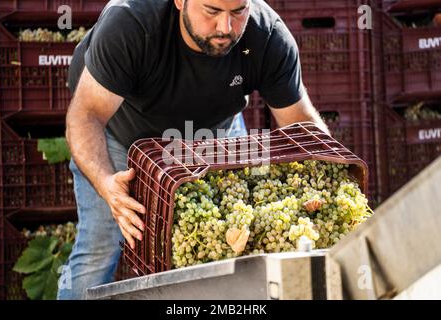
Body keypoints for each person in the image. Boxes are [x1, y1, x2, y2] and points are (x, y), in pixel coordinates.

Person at [58, 0, 329, 299]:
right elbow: (85, 116)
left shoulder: (268, 35)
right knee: (99, 250)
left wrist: (333, 188)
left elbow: (301, 128)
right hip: (122, 135)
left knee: (225, 241)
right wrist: (107, 184)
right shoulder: (132, 23)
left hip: (212, 133)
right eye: (212, 11)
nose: (226, 28)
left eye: (238, 12)